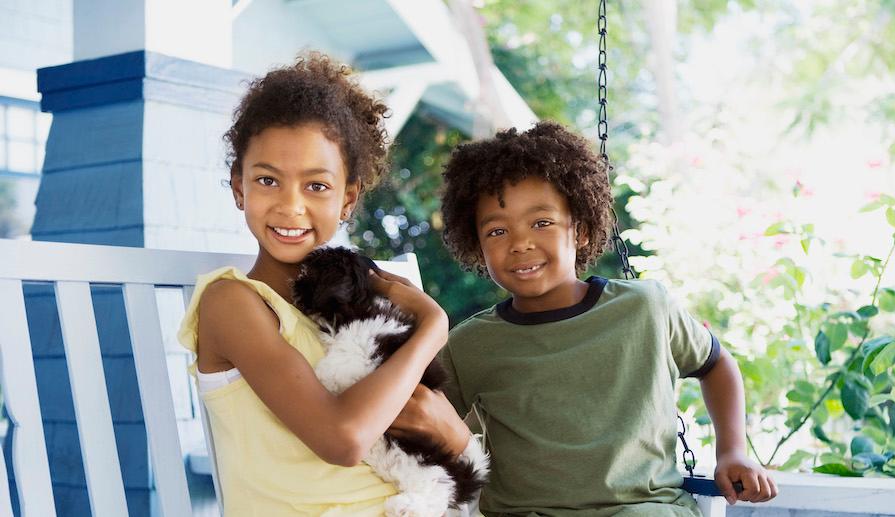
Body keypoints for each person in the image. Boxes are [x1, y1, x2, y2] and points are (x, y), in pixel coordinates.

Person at [177, 52, 473, 516]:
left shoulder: (367, 300)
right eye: (268, 180)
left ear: (348, 198)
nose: (291, 207)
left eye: (316, 186)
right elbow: (343, 439)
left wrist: (456, 436)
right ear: (239, 188)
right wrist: (433, 323)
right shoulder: (232, 302)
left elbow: (441, 434)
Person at [438, 122, 778, 516]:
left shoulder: (644, 307)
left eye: (542, 223)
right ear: (477, 247)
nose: (520, 243)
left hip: (643, 508)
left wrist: (732, 451)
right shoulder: (469, 345)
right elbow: (418, 417)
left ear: (580, 230)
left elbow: (716, 363)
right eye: (497, 231)